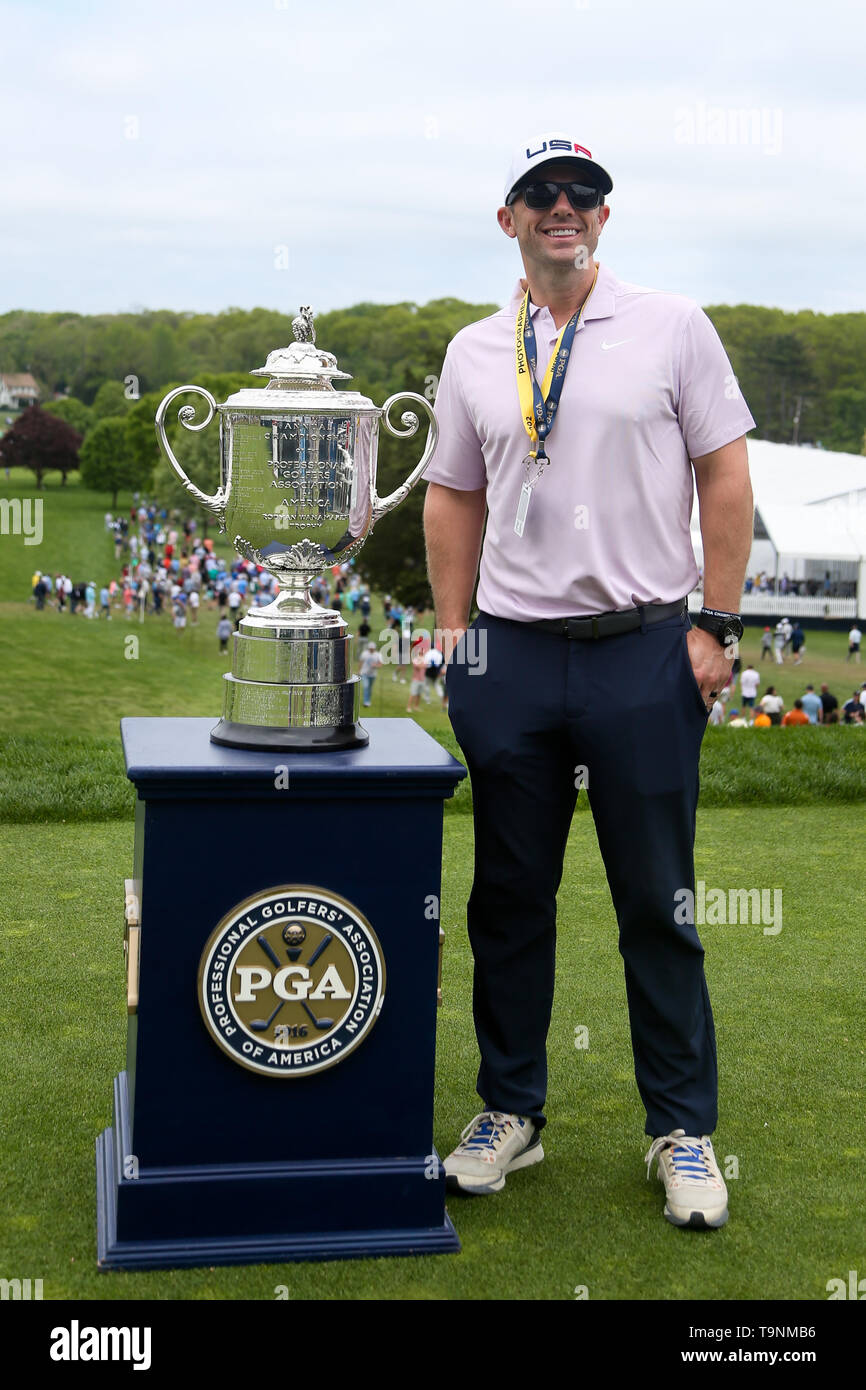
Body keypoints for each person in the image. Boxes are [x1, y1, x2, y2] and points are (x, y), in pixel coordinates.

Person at [423, 130, 755, 1228]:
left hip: (642, 647)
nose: (563, 207)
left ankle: (681, 1130)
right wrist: (457, 636)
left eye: (584, 194)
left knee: (654, 902)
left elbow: (723, 470)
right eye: (540, 194)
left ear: (603, 218)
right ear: (508, 217)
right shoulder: (475, 349)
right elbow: (452, 494)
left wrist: (714, 622)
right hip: (510, 654)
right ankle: (508, 1110)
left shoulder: (671, 325)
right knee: (506, 898)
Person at [358, 641, 382, 707]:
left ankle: (368, 700)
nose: (371, 649)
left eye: (372, 648)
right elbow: (361, 662)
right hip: (364, 673)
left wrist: (375, 665)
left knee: (369, 688)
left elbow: (380, 664)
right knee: (366, 686)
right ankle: (366, 702)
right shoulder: (364, 654)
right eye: (370, 648)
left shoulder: (378, 655)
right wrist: (359, 671)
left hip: (372, 674)